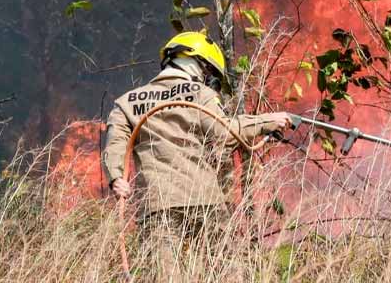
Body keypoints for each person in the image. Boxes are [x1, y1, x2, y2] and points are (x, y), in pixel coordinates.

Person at [102, 31, 291, 280]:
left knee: (165, 276)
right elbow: (224, 133)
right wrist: (268, 121)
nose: (207, 79)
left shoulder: (127, 102)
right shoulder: (201, 94)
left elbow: (115, 143)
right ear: (197, 62)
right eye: (208, 72)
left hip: (158, 205)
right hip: (204, 200)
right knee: (227, 273)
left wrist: (116, 177)